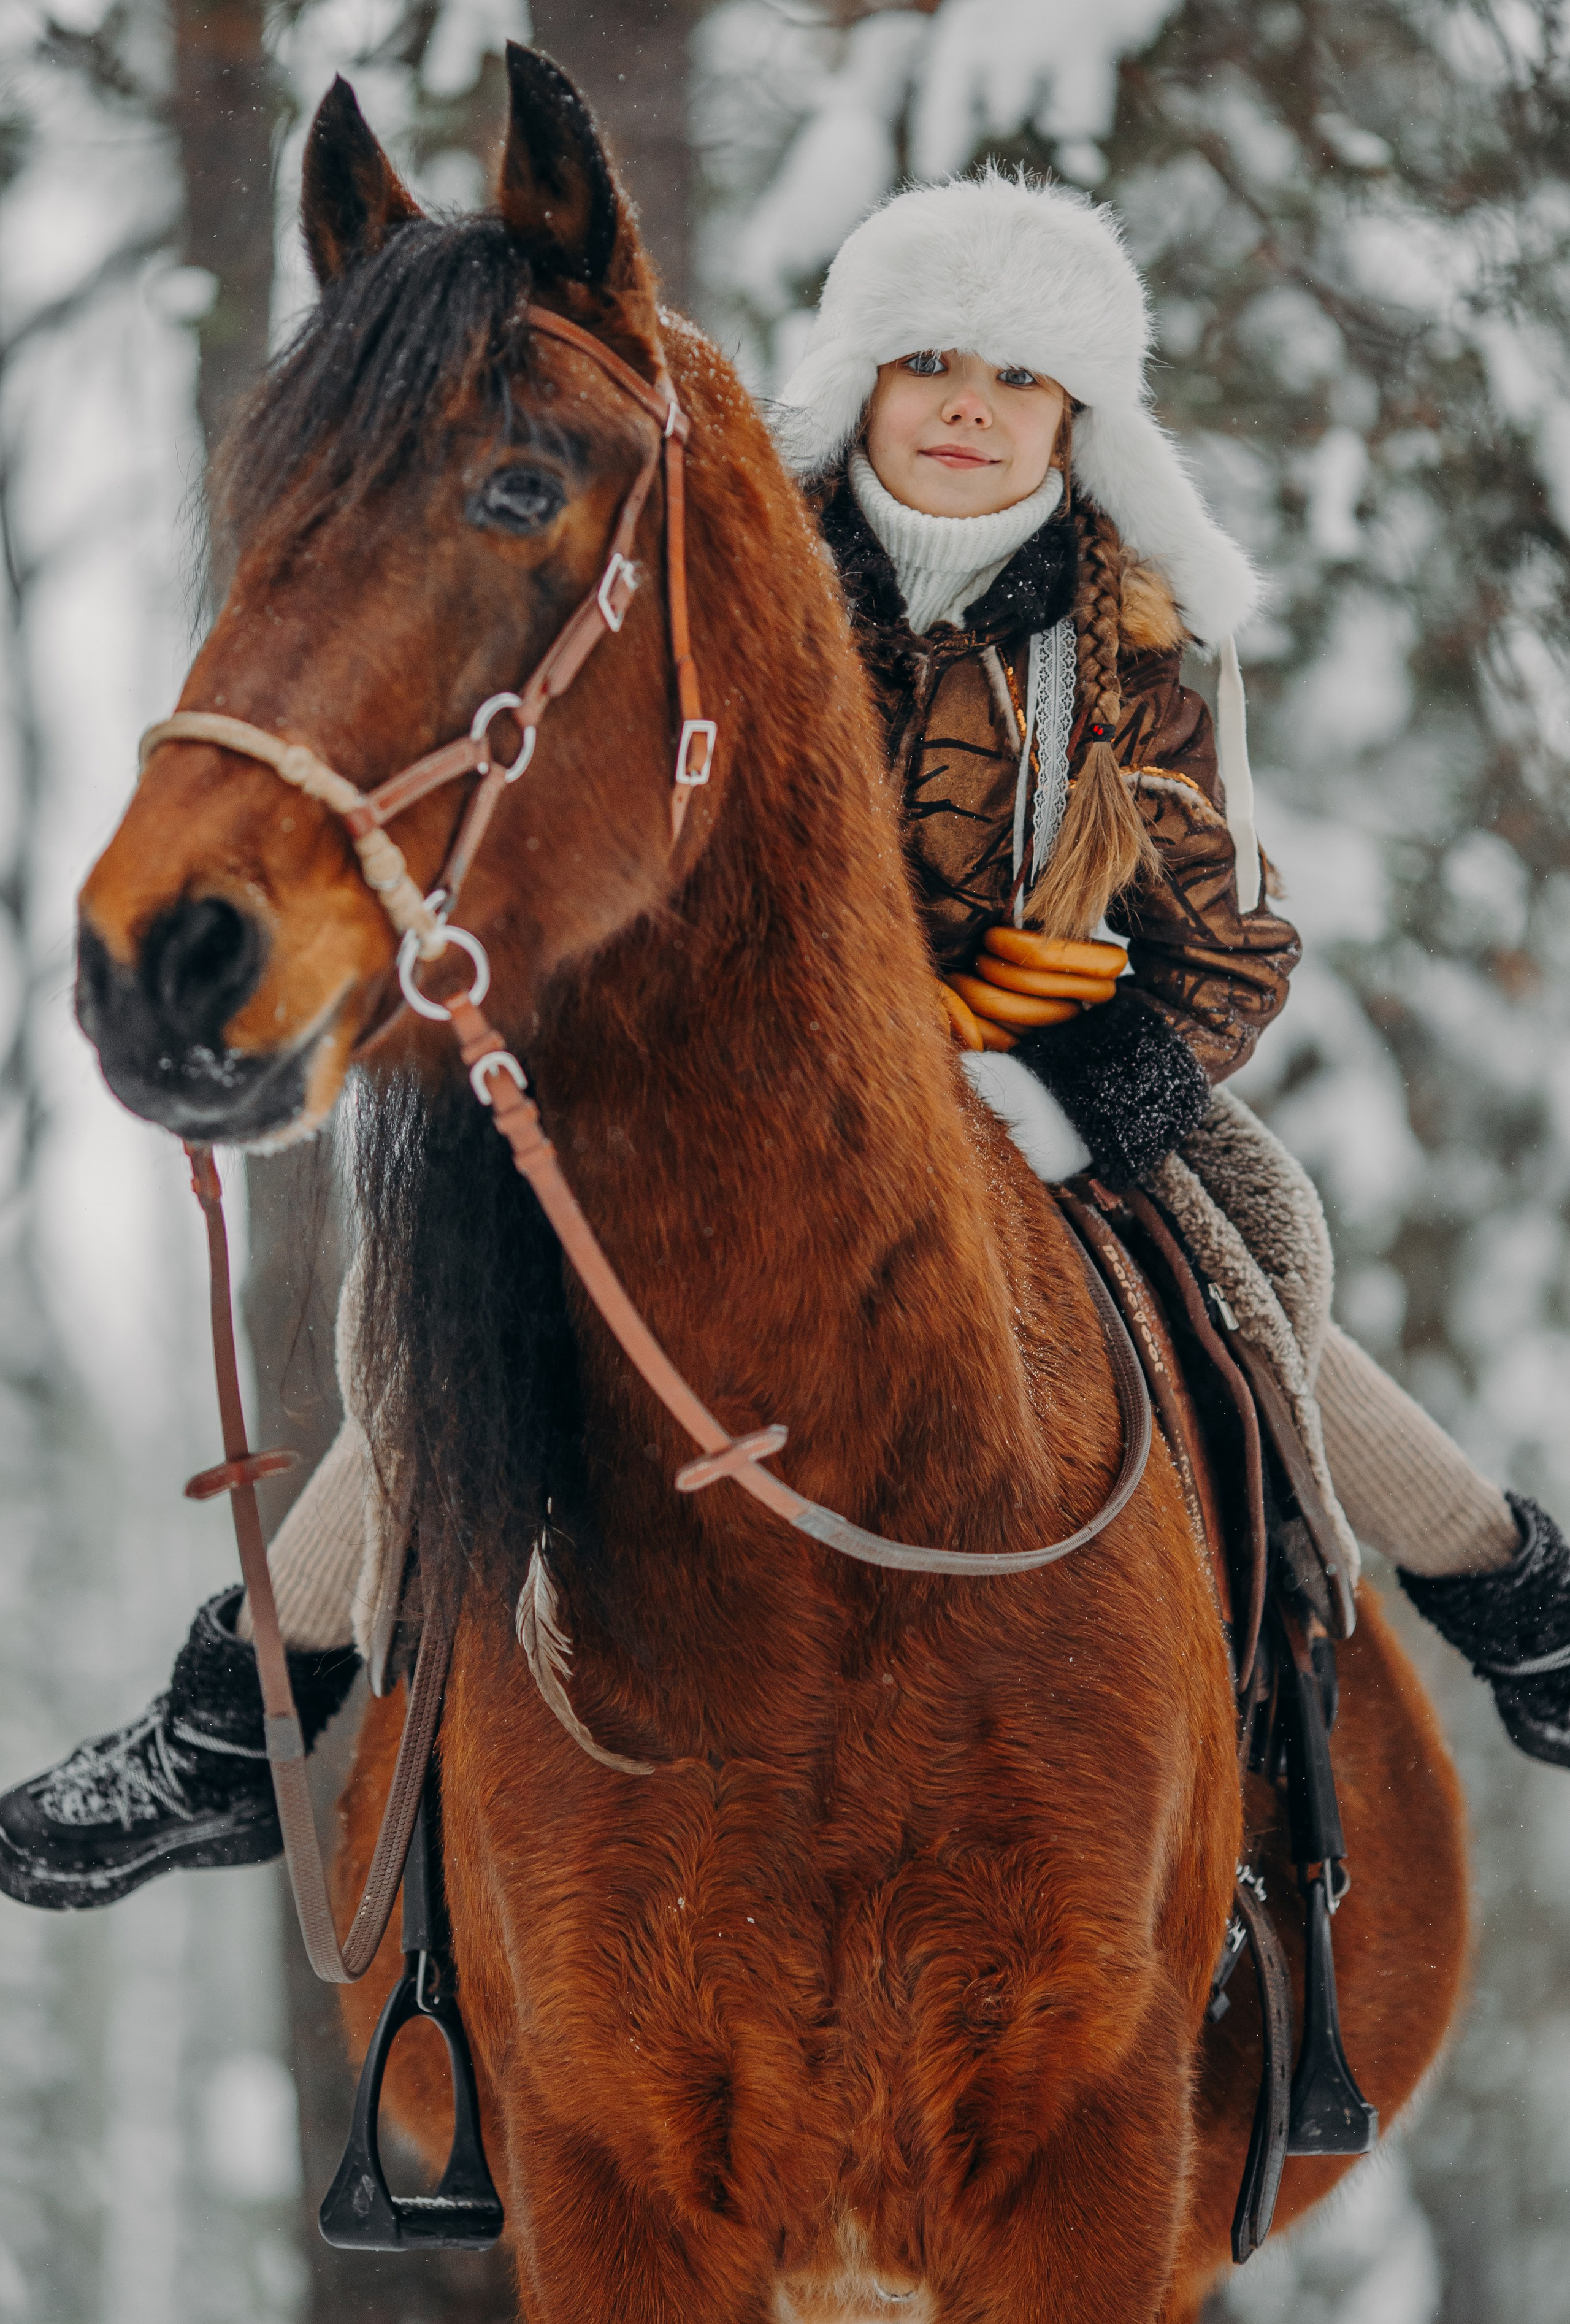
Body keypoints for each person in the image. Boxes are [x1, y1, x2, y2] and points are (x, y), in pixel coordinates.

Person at [4, 170, 1566, 1913]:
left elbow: (1226, 943)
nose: (969, 407)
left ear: (1078, 420)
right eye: (931, 362)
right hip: (750, 1102)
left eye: (1019, 378)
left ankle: (1502, 1591)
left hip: (1034, 1078)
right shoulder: (735, 570)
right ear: (866, 383)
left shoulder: (1136, 650)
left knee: (1257, 1271)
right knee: (436, 1354)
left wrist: (1080, 1093)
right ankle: (241, 1709)